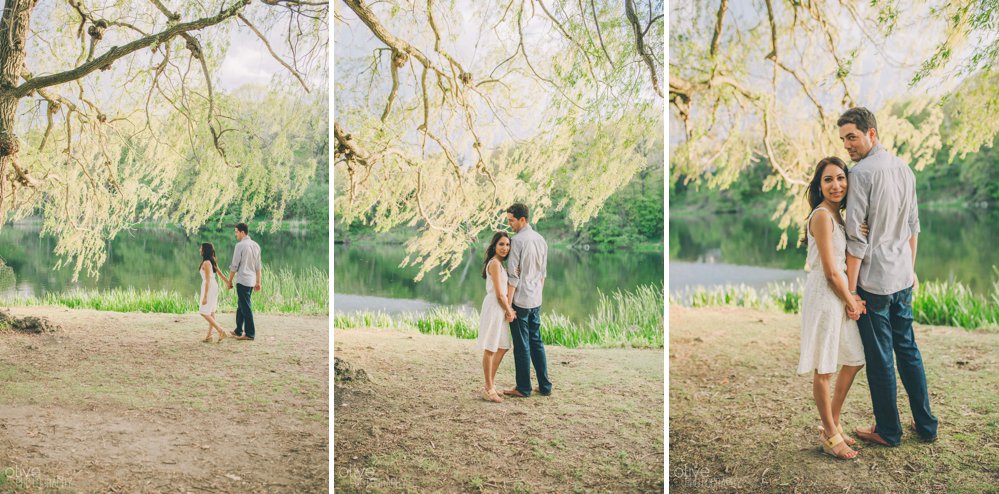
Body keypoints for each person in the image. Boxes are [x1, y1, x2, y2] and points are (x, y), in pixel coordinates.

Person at [839, 107, 938, 446]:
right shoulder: (904, 169)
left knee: (882, 356)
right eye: (843, 139)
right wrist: (910, 269)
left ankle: (888, 430)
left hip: (875, 282)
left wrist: (850, 293)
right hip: (901, 278)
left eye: (852, 137)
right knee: (908, 350)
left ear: (872, 134)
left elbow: (856, 240)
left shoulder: (861, 174)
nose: (847, 145)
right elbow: (914, 227)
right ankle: (926, 426)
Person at [797, 157, 867, 460]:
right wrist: (851, 300)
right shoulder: (822, 216)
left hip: (838, 293)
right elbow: (829, 269)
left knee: (853, 358)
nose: (836, 184)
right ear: (819, 185)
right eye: (828, 179)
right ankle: (831, 434)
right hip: (826, 295)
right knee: (824, 368)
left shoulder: (839, 217)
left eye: (841, 177)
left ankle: (831, 424)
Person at [502, 203, 552, 398]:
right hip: (535, 299)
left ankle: (523, 387)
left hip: (521, 300)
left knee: (522, 344)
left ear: (523, 219)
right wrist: (538, 295)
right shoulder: (541, 240)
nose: (510, 225)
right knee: (536, 341)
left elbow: (513, 276)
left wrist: (508, 306)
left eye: (511, 221)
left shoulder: (517, 241)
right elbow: (543, 274)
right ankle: (545, 386)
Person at [476, 232, 517, 403]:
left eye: (507, 245)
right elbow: (500, 294)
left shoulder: (500, 265)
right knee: (491, 347)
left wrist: (507, 309)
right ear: (494, 246)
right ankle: (489, 388)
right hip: (494, 306)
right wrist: (509, 310)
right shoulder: (494, 264)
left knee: (503, 346)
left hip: (500, 307)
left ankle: (489, 385)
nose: (505, 248)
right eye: (501, 244)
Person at [226, 223, 262, 341]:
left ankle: (250, 333)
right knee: (241, 305)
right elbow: (258, 266)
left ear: (242, 232)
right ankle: (238, 330)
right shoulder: (256, 245)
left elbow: (234, 265)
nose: (235, 234)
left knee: (245, 307)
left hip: (242, 280)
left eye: (236, 232)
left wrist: (229, 281)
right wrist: (258, 282)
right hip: (251, 281)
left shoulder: (240, 245)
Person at [198, 243, 230, 343]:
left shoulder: (207, 263)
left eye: (201, 248)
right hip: (213, 285)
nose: (200, 250)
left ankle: (220, 330)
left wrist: (205, 296)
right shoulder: (211, 261)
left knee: (203, 311)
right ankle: (209, 336)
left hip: (209, 286)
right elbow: (220, 273)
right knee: (211, 311)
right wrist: (228, 282)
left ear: (204, 251)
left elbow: (207, 280)